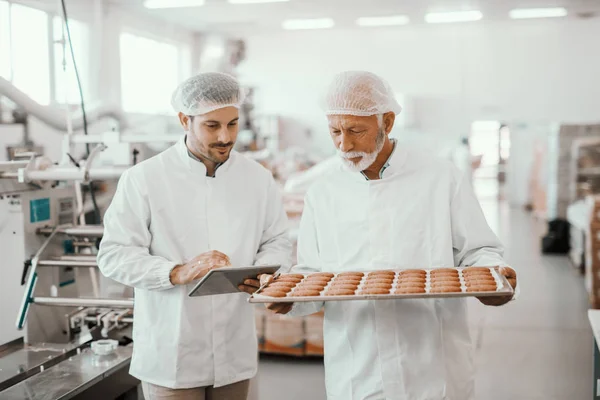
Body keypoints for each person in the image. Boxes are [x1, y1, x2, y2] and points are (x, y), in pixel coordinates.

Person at [243, 71, 518, 400]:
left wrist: (493, 279)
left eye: (356, 131)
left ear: (386, 122)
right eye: (334, 131)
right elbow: (313, 274)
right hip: (357, 367)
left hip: (431, 366)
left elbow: (479, 251)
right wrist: (289, 301)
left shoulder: (440, 178)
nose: (344, 144)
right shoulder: (323, 192)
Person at [97, 72, 291, 400]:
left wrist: (266, 270)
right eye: (212, 126)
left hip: (234, 348)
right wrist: (174, 272)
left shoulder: (257, 178)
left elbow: (277, 240)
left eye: (232, 124)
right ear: (184, 120)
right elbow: (114, 255)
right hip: (172, 353)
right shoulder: (144, 179)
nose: (226, 136)